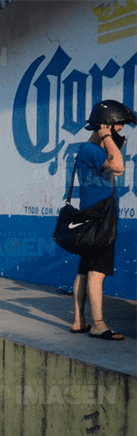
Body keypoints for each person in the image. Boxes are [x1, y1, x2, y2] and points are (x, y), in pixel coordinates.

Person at [70, 100, 135, 340]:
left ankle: (79, 321)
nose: (120, 130)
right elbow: (118, 164)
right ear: (105, 125)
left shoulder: (89, 151)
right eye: (117, 126)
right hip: (100, 218)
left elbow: (116, 170)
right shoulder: (93, 150)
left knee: (85, 271)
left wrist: (110, 140)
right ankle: (98, 324)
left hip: (91, 215)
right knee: (97, 272)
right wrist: (107, 137)